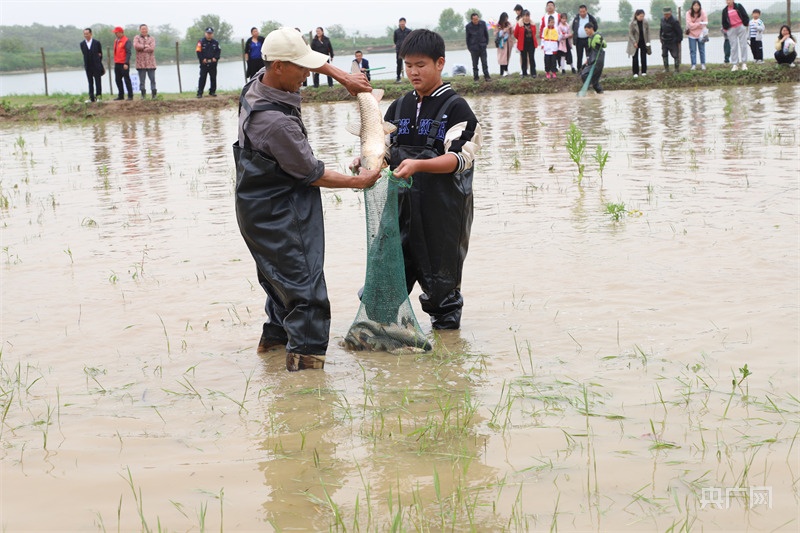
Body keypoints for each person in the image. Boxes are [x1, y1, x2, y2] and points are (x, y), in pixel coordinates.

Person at [234, 27, 379, 372]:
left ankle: (272, 351)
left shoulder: (256, 84)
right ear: (280, 66)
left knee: (279, 284)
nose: (307, 76)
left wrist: (344, 77)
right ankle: (306, 379)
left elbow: (305, 66)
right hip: (281, 213)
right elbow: (314, 173)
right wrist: (360, 181)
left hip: (254, 209)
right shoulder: (275, 123)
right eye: (301, 69)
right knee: (306, 294)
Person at [381, 29, 482, 331]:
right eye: (408, 65)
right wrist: (367, 160)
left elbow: (460, 158)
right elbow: (383, 153)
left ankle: (448, 354)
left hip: (442, 215)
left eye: (420, 65)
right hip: (399, 213)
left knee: (442, 293)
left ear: (440, 63)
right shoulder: (397, 108)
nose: (413, 72)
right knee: (386, 283)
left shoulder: (457, 109)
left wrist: (419, 165)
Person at [722, 0, 750, 71]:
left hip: (741, 27)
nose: (728, 1)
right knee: (733, 47)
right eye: (727, 0)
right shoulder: (725, 10)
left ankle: (744, 63)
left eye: (729, 0)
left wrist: (745, 24)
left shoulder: (738, 6)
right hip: (731, 29)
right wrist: (726, 28)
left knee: (743, 45)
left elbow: (745, 15)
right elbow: (724, 21)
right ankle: (735, 64)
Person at [80, 28, 103, 102]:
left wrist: (98, 63)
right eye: (84, 34)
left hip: (96, 65)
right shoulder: (82, 44)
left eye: (87, 33)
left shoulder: (97, 43)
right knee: (90, 82)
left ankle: (98, 97)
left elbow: (100, 54)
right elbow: (84, 54)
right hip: (88, 66)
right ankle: (91, 97)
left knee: (98, 81)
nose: (86, 35)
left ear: (91, 34)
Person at [465, 12, 491, 81]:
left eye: (477, 19)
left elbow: (486, 34)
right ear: (472, 20)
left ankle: (487, 76)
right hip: (474, 48)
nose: (476, 21)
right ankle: (476, 78)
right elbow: (467, 38)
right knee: (475, 64)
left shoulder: (483, 23)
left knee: (484, 62)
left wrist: (486, 43)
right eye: (475, 19)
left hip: (482, 46)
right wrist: (469, 48)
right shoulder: (468, 26)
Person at [133, 24, 157, 99]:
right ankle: (143, 94)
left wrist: (142, 48)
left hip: (151, 63)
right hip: (141, 63)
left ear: (147, 29)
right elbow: (136, 46)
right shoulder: (137, 37)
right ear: (140, 30)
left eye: (145, 29)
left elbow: (152, 48)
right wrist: (145, 46)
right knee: (142, 80)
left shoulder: (152, 38)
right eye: (142, 29)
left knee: (152, 79)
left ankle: (154, 94)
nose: (144, 30)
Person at [196, 27, 220, 98]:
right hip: (204, 63)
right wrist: (202, 59)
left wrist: (215, 58)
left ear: (212, 34)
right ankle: (200, 93)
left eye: (210, 33)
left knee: (213, 77)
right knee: (202, 77)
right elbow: (198, 51)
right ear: (205, 33)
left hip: (213, 63)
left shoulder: (215, 42)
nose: (209, 35)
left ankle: (212, 91)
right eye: (208, 33)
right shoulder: (201, 42)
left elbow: (218, 51)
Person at [582, 24, 606, 93]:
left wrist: (601, 42)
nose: (586, 32)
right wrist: (587, 60)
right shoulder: (589, 38)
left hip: (598, 61)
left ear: (591, 29)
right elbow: (590, 51)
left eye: (587, 30)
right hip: (592, 60)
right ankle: (600, 93)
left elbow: (605, 45)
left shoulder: (597, 36)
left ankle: (589, 91)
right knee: (595, 83)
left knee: (584, 74)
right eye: (585, 31)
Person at [514, 10, 538, 77]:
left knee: (531, 58)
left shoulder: (532, 24)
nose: (526, 17)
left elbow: (534, 33)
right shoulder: (519, 24)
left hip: (531, 43)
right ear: (522, 16)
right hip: (523, 43)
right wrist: (520, 39)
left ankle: (533, 73)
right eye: (525, 15)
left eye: (528, 15)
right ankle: (524, 73)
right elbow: (515, 34)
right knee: (524, 58)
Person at [112, 26, 133, 101]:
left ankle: (130, 96)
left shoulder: (126, 40)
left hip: (124, 63)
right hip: (117, 62)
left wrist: (126, 63)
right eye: (115, 33)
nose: (115, 34)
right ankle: (121, 95)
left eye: (116, 33)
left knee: (126, 79)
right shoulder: (116, 40)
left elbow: (128, 52)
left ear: (121, 32)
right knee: (118, 79)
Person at [685, 1, 708, 71]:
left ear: (699, 6)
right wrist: (699, 24)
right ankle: (693, 64)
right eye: (695, 5)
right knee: (692, 50)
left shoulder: (703, 12)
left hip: (701, 34)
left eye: (697, 5)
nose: (696, 7)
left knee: (702, 50)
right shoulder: (688, 13)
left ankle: (703, 64)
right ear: (692, 6)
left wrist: (695, 24)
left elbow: (705, 23)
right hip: (691, 35)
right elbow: (689, 25)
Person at [627, 9, 650, 77]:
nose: (642, 18)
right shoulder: (632, 23)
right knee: (635, 57)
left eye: (643, 16)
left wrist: (648, 42)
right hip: (635, 42)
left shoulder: (646, 22)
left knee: (643, 56)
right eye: (640, 16)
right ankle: (635, 72)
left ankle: (644, 71)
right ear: (636, 16)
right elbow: (630, 34)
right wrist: (634, 42)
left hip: (643, 41)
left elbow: (648, 33)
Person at [660, 7, 682, 72]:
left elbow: (679, 32)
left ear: (670, 13)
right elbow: (661, 30)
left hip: (673, 40)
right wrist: (660, 38)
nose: (666, 15)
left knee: (675, 55)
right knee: (664, 54)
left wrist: (678, 40)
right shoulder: (662, 20)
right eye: (665, 14)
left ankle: (676, 69)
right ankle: (666, 68)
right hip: (665, 40)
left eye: (668, 14)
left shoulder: (675, 21)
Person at [495, 12, 514, 76]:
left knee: (507, 56)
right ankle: (502, 71)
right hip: (501, 43)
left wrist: (510, 28)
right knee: (502, 57)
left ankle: (506, 70)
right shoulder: (498, 25)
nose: (506, 20)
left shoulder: (509, 23)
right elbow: (496, 34)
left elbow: (512, 33)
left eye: (507, 18)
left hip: (509, 43)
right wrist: (503, 31)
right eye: (505, 19)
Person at [394, 18, 412, 82]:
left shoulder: (409, 31)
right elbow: (395, 40)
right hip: (399, 50)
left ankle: (411, 77)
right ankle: (398, 77)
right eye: (401, 22)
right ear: (399, 23)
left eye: (403, 22)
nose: (402, 23)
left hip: (407, 49)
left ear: (405, 22)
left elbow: (411, 40)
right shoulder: (396, 31)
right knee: (399, 63)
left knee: (410, 63)